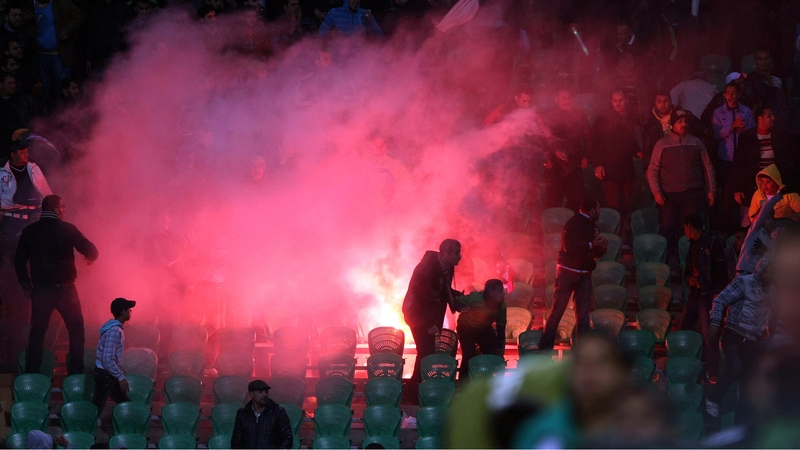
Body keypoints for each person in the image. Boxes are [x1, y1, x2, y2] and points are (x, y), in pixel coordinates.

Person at [15, 194, 98, 375]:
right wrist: (91, 257)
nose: (64, 210)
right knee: (76, 330)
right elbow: (92, 250)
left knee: (37, 333)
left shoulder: (30, 231)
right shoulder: (68, 229)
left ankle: (32, 375)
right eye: (62, 207)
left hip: (41, 291)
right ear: (56, 209)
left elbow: (19, 262)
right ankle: (75, 374)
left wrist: (26, 286)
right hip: (66, 290)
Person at [706, 255, 774, 426]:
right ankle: (712, 398)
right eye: (768, 271)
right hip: (733, 335)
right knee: (736, 368)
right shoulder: (744, 282)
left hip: (753, 342)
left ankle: (741, 424)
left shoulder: (772, 291)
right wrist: (715, 322)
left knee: (748, 384)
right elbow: (720, 299)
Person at [537, 197, 607, 351]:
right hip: (567, 273)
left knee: (582, 316)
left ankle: (581, 353)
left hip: (583, 274)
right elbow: (569, 247)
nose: (600, 211)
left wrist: (601, 248)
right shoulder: (573, 223)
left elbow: (590, 253)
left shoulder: (591, 226)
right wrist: (592, 244)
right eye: (598, 208)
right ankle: (544, 350)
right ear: (592, 210)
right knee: (559, 311)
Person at [646, 108, 716, 258]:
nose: (684, 124)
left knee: (689, 230)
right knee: (667, 229)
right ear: (672, 124)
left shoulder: (696, 142)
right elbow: (652, 170)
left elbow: (707, 167)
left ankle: (687, 261)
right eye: (679, 122)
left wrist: (711, 190)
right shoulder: (662, 144)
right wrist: (656, 191)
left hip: (692, 193)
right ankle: (665, 262)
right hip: (669, 194)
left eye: (685, 121)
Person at [402, 238, 463, 399]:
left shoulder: (446, 267)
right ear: (445, 254)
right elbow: (422, 299)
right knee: (426, 352)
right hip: (417, 316)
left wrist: (462, 300)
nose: (460, 256)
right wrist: (430, 323)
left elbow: (444, 291)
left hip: (428, 318)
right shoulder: (426, 269)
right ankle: (415, 390)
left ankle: (417, 388)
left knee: (426, 352)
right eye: (456, 253)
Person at [680, 213, 727, 381]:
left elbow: (722, 272)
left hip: (708, 297)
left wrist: (717, 295)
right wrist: (690, 280)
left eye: (685, 227)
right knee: (683, 328)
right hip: (695, 295)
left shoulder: (712, 244)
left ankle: (713, 370)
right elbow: (686, 271)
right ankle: (685, 364)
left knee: (710, 336)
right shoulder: (692, 246)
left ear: (690, 226)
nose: (685, 231)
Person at [733, 107, 792, 225]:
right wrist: (738, 188)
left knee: (775, 220)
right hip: (752, 185)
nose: (773, 118)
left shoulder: (779, 136)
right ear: (760, 119)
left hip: (775, 187)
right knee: (749, 220)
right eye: (769, 116)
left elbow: (785, 162)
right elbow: (739, 163)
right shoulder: (747, 137)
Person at [591, 89, 640, 218]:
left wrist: (637, 151)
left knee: (627, 202)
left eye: (621, 100)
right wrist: (598, 164)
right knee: (613, 204)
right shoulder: (604, 117)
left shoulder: (631, 116)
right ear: (611, 101)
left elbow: (632, 139)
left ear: (626, 100)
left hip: (627, 166)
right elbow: (594, 141)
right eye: (615, 100)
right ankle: (615, 229)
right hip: (610, 167)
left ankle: (626, 227)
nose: (618, 103)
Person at [1, 139, 53, 257]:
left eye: (27, 151)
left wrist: (52, 210)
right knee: (14, 253)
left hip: (36, 216)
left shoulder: (34, 168)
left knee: (40, 252)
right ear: (13, 154)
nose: (26, 154)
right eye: (22, 152)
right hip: (13, 220)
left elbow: (46, 192)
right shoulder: (2, 173)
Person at [712, 82, 755, 220]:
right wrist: (732, 126)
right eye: (728, 93)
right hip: (726, 158)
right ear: (724, 95)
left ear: (739, 94)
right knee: (727, 192)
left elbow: (753, 134)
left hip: (743, 159)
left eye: (733, 93)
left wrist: (743, 129)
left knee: (743, 191)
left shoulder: (746, 111)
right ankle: (726, 222)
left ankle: (743, 223)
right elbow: (717, 135)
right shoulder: (718, 112)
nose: (730, 96)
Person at [542, 87, 590, 211]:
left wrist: (586, 156)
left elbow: (588, 138)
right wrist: (547, 157)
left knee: (577, 200)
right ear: (556, 99)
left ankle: (571, 222)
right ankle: (553, 223)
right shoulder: (548, 116)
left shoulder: (580, 116)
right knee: (553, 201)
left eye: (569, 98)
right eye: (564, 98)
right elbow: (542, 139)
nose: (567, 101)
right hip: (554, 166)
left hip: (574, 165)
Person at [454, 278, 506, 382]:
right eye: (500, 291)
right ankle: (463, 384)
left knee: (491, 355)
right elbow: (455, 301)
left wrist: (499, 346)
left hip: (484, 328)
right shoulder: (475, 298)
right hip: (466, 328)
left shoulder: (502, 306)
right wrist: (460, 308)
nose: (503, 294)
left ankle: (488, 381)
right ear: (491, 293)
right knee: (469, 355)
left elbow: (501, 327)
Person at [33, 0, 84, 101]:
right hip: (38, 56)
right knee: (42, 90)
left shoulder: (61, 2)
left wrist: (67, 30)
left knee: (62, 90)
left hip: (59, 55)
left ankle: (64, 110)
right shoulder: (29, 6)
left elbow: (79, 15)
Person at [92, 298, 135, 416]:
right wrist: (120, 376)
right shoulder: (115, 331)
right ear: (123, 312)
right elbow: (107, 359)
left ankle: (133, 419)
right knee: (96, 408)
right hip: (105, 374)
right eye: (129, 309)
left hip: (107, 374)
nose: (131, 311)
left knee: (121, 402)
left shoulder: (114, 329)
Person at [231, 380, 293, 449]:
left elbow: (288, 439)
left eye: (266, 392)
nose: (265, 394)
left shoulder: (278, 412)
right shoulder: (242, 414)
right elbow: (236, 442)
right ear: (251, 394)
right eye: (260, 392)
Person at [318, 0, 382, 37]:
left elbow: (379, 35)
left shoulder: (364, 13)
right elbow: (320, 32)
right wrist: (329, 34)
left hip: (360, 54)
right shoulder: (334, 12)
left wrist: (371, 21)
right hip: (338, 53)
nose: (356, 1)